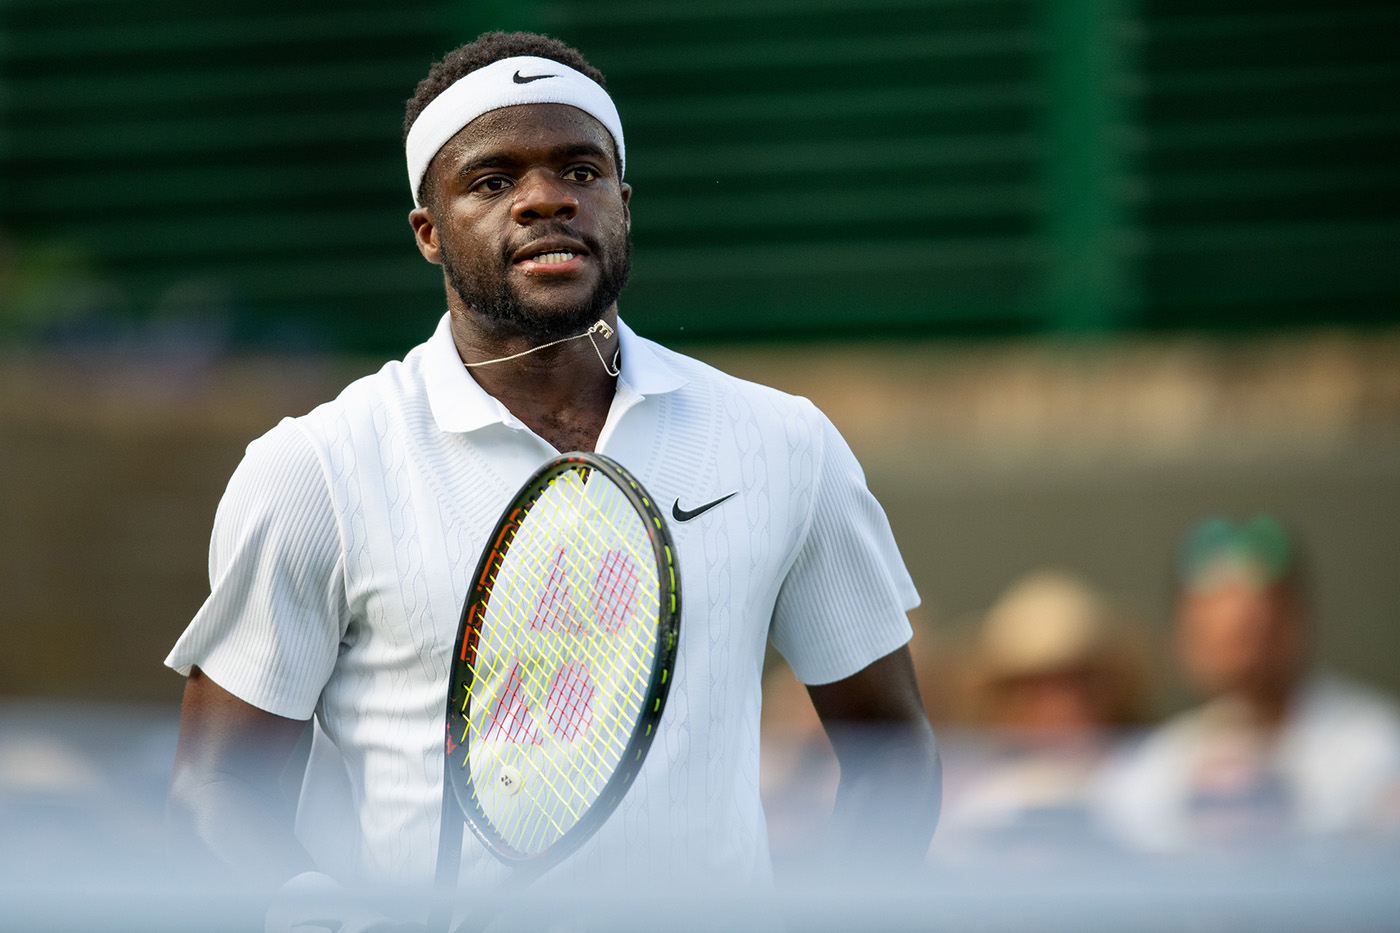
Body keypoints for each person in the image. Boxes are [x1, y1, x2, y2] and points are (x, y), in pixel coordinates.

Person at [163, 31, 940, 930]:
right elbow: (218, 786)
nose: (546, 199)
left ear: (622, 203)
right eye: (493, 181)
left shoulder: (783, 443)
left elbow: (892, 754)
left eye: (580, 170)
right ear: (428, 232)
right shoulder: (316, 468)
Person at [1096, 515, 1400, 853]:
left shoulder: (1376, 751)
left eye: (1258, 623)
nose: (1242, 637)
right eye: (1216, 629)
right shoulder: (1150, 776)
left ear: (1298, 622)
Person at [930, 571, 1150, 864]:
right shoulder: (975, 810)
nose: (1054, 706)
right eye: (1034, 688)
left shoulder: (1152, 782)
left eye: (1071, 684)